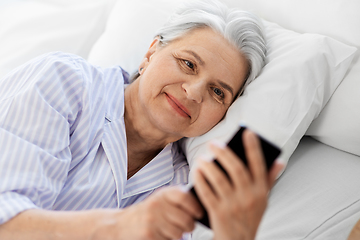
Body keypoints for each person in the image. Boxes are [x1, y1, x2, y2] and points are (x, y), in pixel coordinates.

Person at [0, 0, 283, 239]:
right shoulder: (63, 82)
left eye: (218, 91)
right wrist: (120, 226)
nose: (194, 92)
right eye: (188, 63)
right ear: (151, 53)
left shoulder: (182, 186)